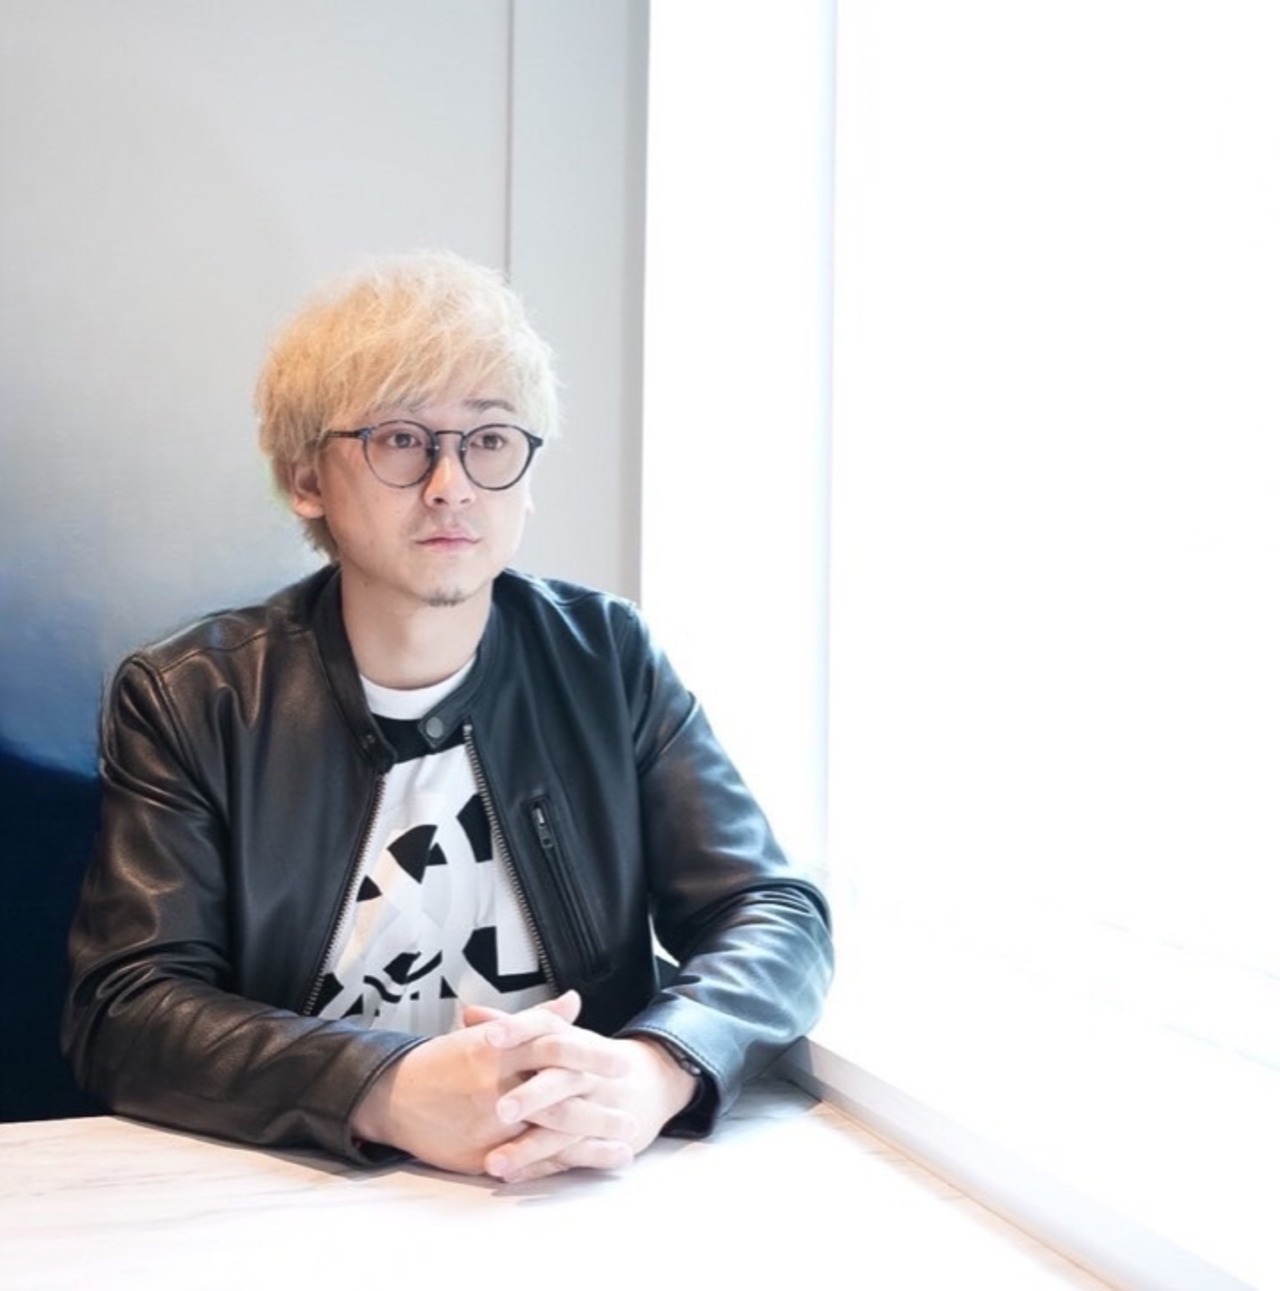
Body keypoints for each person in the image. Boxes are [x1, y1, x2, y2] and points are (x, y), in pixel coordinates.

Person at [63, 251, 833, 1184]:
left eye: (490, 439)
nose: (451, 484)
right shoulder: (196, 696)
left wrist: (657, 1067)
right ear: (307, 479)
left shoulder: (606, 659)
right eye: (401, 440)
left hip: (572, 1182)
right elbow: (126, 1010)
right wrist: (384, 1087)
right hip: (308, 1189)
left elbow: (773, 912)